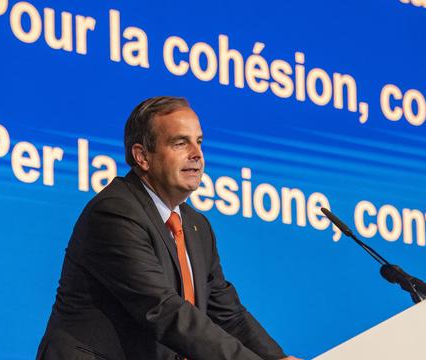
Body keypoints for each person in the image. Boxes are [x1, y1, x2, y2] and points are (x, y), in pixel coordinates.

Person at [37, 96, 300, 360]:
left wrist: (279, 358)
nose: (196, 154)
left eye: (198, 142)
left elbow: (227, 313)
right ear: (142, 156)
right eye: (180, 142)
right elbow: (162, 309)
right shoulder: (116, 212)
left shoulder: (197, 227)